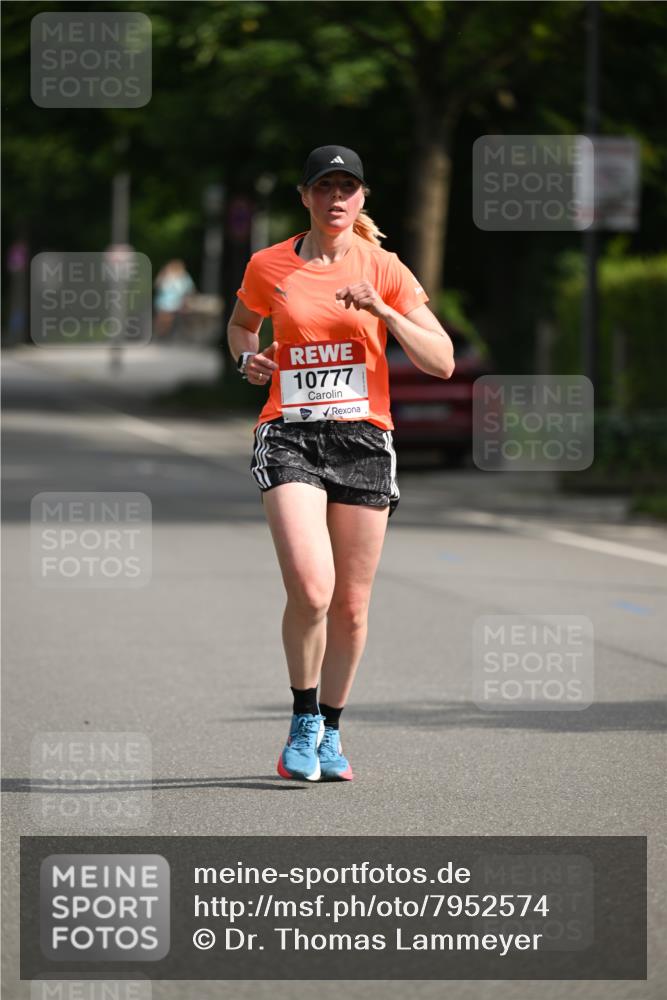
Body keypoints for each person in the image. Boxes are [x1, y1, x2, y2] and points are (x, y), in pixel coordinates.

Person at [227, 145, 454, 782]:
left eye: (346, 188)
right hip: (290, 433)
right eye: (324, 187)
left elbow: (440, 360)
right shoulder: (268, 265)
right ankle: (302, 719)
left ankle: (330, 728)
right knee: (311, 587)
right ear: (304, 197)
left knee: (351, 607)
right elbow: (242, 327)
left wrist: (383, 311)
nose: (335, 198)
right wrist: (248, 359)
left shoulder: (383, 267)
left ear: (362, 199)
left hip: (362, 440)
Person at [153, 259, 195, 340]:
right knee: (164, 318)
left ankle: (163, 334)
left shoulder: (184, 277)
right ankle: (161, 333)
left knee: (168, 318)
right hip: (164, 302)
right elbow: (158, 285)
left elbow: (189, 290)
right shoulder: (165, 275)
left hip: (175, 303)